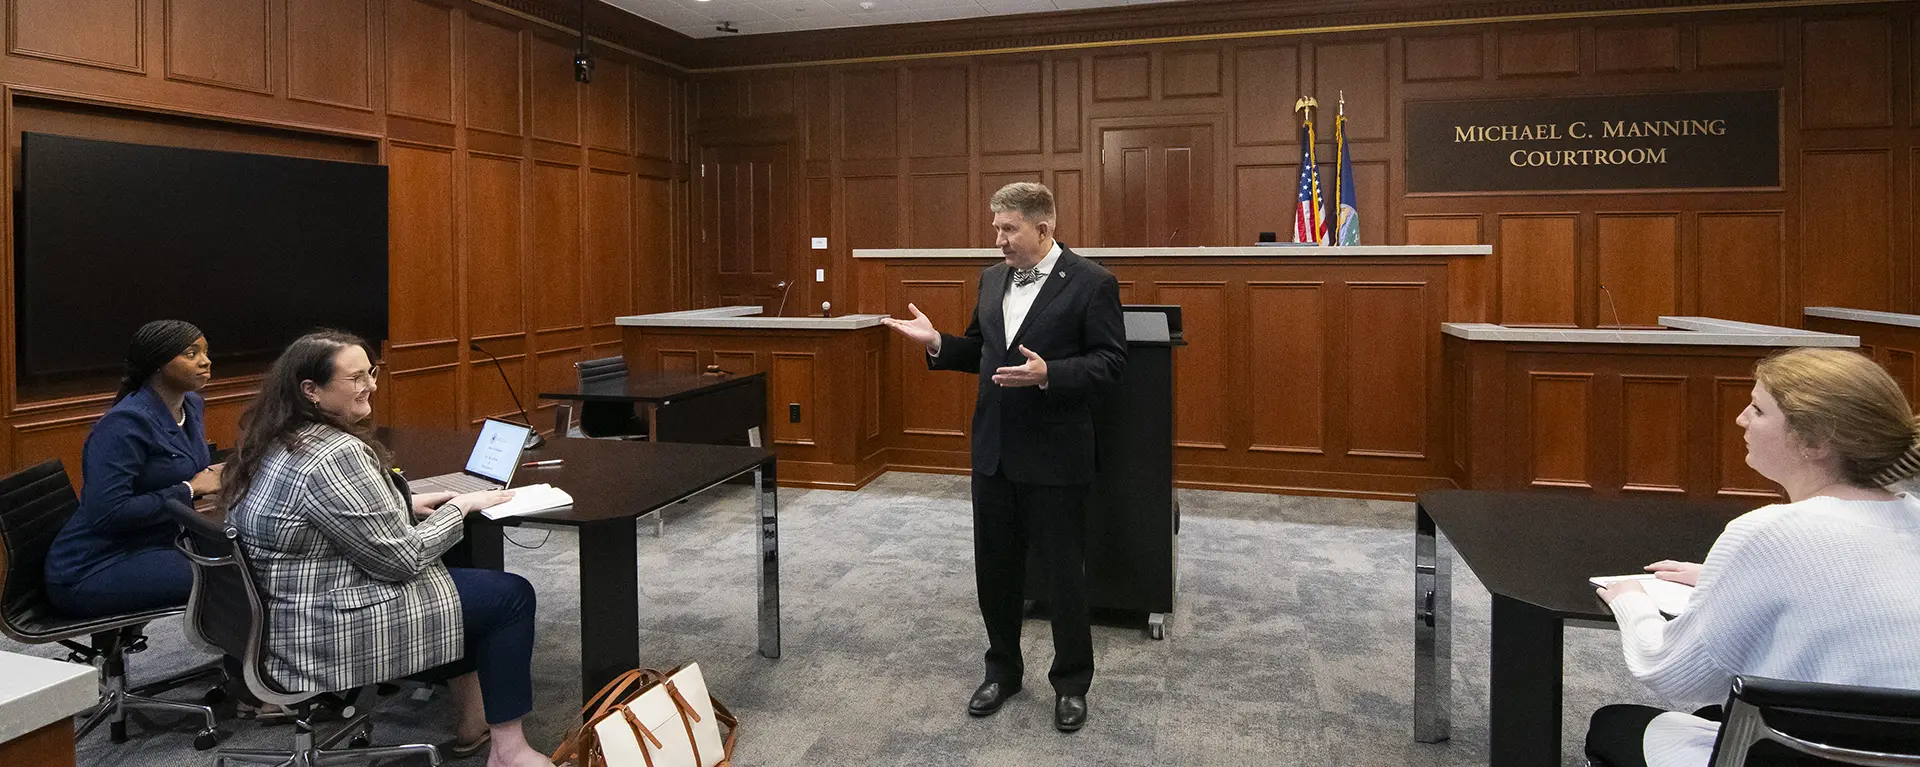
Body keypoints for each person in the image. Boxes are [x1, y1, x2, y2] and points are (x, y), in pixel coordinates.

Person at [221, 331, 552, 767]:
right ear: (311, 391)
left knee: (463, 580)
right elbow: (403, 560)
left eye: (371, 373)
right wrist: (462, 505)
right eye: (356, 377)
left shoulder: (278, 438)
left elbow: (316, 517)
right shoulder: (335, 454)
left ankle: (475, 720)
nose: (371, 385)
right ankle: (510, 752)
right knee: (509, 596)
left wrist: (401, 503)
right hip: (322, 628)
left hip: (282, 610)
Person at [1588, 347, 1920, 767]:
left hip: (1815, 754)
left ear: (1816, 440)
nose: (1741, 418)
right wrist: (1727, 579)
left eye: (1758, 410)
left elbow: (1672, 673)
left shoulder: (1768, 531)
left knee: (1615, 722)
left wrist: (1629, 600)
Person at [881, 182, 1126, 732]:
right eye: (996, 228)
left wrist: (1052, 375)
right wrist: (938, 343)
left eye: (1008, 229)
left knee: (1065, 575)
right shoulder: (992, 280)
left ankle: (1070, 683)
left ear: (1043, 228)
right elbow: (983, 351)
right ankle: (1003, 670)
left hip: (1057, 456)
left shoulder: (1092, 283)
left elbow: (1112, 363)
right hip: (994, 452)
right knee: (995, 571)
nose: (998, 240)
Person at [45, 320, 220, 617]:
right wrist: (190, 489)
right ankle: (249, 663)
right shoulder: (124, 425)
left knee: (246, 558)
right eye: (191, 354)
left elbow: (184, 465)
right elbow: (108, 513)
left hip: (154, 541)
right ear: (157, 364)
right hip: (94, 564)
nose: (205, 362)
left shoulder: (191, 405)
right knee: (229, 577)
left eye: (205, 352)